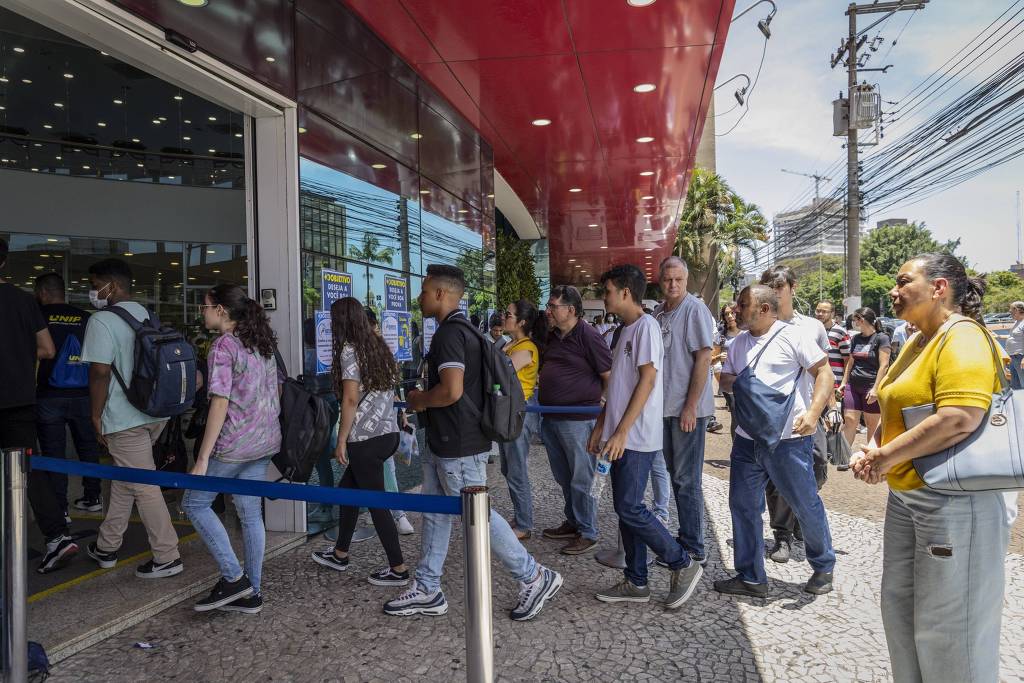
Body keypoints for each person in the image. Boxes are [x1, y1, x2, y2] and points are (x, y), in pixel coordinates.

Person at [852, 254, 1013, 683]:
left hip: (954, 504)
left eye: (904, 281)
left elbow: (960, 415)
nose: (894, 289)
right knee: (903, 615)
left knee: (950, 633)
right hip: (910, 498)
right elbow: (896, 406)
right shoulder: (918, 340)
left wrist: (884, 458)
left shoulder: (962, 337)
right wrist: (873, 446)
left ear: (939, 288)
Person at [384, 265, 562, 621]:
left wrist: (418, 400)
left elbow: (451, 390)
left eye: (423, 290)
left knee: (478, 516)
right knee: (435, 513)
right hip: (447, 441)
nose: (419, 297)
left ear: (440, 294)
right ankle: (428, 587)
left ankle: (533, 576)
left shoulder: (450, 334)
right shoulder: (465, 331)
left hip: (459, 444)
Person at [591, 264, 702, 608]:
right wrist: (601, 426)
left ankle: (681, 562)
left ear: (625, 292)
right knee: (626, 509)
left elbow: (648, 381)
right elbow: (617, 387)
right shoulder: (623, 330)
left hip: (636, 437)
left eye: (608, 290)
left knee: (630, 506)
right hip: (618, 435)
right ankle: (636, 581)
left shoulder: (647, 327)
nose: (604, 297)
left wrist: (621, 430)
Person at [715, 285, 836, 597]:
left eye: (743, 305)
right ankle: (751, 577)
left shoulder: (793, 336)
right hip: (746, 440)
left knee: (804, 503)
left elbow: (824, 373)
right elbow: (727, 379)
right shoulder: (739, 342)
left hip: (789, 439)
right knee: (742, 506)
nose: (735, 310)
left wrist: (813, 414)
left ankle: (823, 565)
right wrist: (733, 379)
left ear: (765, 309)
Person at [81, 258, 182, 579]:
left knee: (145, 486)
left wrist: (95, 415)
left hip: (123, 417)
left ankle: (167, 556)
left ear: (112, 286)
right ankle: (106, 546)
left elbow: (99, 371)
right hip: (153, 412)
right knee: (127, 480)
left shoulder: (101, 320)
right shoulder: (145, 314)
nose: (93, 292)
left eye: (95, 286)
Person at [183, 285, 281, 613]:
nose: (203, 311)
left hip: (234, 444)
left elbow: (220, 403)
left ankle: (234, 577)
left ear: (222, 310)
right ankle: (252, 590)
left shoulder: (224, 345)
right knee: (250, 512)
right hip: (265, 439)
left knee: (195, 503)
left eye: (206, 306)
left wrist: (202, 457)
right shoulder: (261, 341)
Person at [312, 298, 410, 586]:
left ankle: (398, 568)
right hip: (387, 434)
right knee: (348, 492)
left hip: (365, 438)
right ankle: (340, 553)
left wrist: (341, 440)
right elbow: (391, 391)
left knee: (376, 504)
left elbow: (351, 399)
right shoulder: (379, 347)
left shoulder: (349, 351)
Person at [0, 240, 76, 574]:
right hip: (19, 399)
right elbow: (46, 349)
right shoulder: (23, 301)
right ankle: (56, 537)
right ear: (4, 263)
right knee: (28, 469)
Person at [759, 266, 831, 564]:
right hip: (776, 417)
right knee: (776, 479)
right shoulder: (762, 327)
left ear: (793, 287)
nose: (775, 291)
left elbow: (827, 371)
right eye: (769, 286)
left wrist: (829, 407)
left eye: (779, 286)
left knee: (819, 466)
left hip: (811, 412)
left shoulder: (812, 327)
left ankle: (802, 512)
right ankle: (782, 535)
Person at [651, 257, 715, 566]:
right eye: (668, 280)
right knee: (676, 476)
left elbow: (704, 358)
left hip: (686, 411)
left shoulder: (694, 310)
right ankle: (688, 535)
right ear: (660, 280)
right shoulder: (660, 312)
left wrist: (690, 406)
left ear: (686, 280)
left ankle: (694, 546)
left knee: (687, 479)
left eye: (678, 279)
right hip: (664, 409)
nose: (673, 285)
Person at [538, 285, 611, 555]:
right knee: (564, 477)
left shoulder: (589, 336)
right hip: (553, 419)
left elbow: (609, 378)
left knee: (582, 478)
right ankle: (573, 521)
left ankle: (587, 530)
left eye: (552, 306)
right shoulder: (554, 336)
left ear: (571, 309)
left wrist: (599, 415)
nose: (548, 311)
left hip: (580, 421)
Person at [33, 273, 103, 514]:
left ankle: (60, 508)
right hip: (84, 395)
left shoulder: (38, 316)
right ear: (63, 292)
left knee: (54, 453)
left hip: (48, 396)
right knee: (88, 447)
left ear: (42, 292)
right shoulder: (87, 318)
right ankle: (93, 497)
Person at [498, 299, 546, 540]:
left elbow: (501, 373)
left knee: (516, 468)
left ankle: (524, 523)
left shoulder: (526, 348)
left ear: (522, 322)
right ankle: (520, 516)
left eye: (508, 314)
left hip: (519, 412)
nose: (504, 317)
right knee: (508, 467)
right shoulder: (510, 344)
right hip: (508, 411)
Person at [839, 308, 891, 447]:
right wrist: (844, 382)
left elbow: (884, 365)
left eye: (855, 319)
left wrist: (875, 389)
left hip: (871, 387)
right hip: (853, 385)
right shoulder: (856, 338)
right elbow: (851, 361)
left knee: (871, 424)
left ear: (861, 320)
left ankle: (870, 457)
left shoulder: (882, 338)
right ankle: (845, 456)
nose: (853, 322)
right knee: (849, 419)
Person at [713, 302, 741, 440]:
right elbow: (711, 360)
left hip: (747, 379)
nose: (730, 316)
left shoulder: (748, 332)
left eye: (732, 313)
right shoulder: (721, 336)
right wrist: (719, 356)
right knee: (736, 413)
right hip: (728, 381)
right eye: (726, 314)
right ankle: (737, 452)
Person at [814, 300, 850, 390]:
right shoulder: (811, 331)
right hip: (814, 383)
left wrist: (844, 383)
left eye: (824, 311)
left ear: (832, 314)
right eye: (818, 311)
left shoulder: (840, 332)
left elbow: (848, 359)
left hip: (834, 385)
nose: (820, 314)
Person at [1007, 301, 1024, 390]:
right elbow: (1012, 337)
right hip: (1013, 358)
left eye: (1011, 309)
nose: (1010, 311)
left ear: (1017, 310)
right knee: (1015, 385)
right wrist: (998, 336)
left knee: (1022, 383)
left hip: (1020, 357)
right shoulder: (1017, 322)